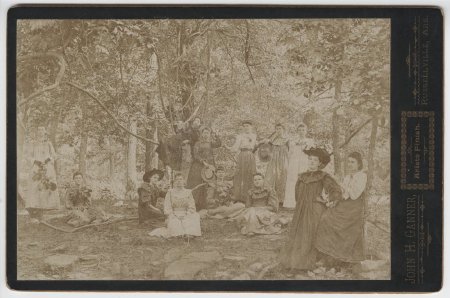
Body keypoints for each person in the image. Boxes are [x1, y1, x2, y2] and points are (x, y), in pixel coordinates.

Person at [280, 148, 342, 271]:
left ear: (320, 163)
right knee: (298, 233)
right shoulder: (302, 176)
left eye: (315, 160)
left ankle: (307, 263)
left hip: (315, 209)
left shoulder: (323, 176)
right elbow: (297, 194)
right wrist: (301, 205)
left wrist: (328, 201)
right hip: (301, 209)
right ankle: (293, 261)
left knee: (310, 234)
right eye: (310, 159)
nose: (312, 162)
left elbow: (335, 190)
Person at [315, 152, 367, 264]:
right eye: (348, 162)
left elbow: (354, 195)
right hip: (344, 204)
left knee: (334, 222)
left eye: (352, 162)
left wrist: (341, 184)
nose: (350, 164)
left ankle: (337, 258)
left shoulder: (362, 176)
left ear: (359, 164)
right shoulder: (347, 177)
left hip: (354, 207)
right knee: (325, 218)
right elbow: (342, 193)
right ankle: (327, 255)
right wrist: (333, 198)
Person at [149, 173, 201, 238]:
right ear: (174, 182)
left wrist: (187, 214)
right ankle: (179, 233)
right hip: (174, 214)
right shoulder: (170, 192)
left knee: (195, 216)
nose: (179, 181)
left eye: (181, 179)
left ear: (184, 181)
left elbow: (192, 206)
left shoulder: (188, 192)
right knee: (175, 221)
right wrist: (173, 215)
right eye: (177, 180)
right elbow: (167, 206)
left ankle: (189, 233)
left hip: (186, 213)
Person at [25, 126, 60, 222]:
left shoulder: (48, 144)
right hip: (36, 167)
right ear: (36, 132)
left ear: (45, 132)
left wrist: (48, 159)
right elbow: (28, 156)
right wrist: (36, 161)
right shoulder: (32, 144)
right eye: (38, 130)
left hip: (47, 167)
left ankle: (43, 212)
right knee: (35, 187)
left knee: (46, 187)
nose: (40, 132)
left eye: (42, 130)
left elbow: (54, 155)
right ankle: (34, 210)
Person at [186, 127, 221, 210]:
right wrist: (203, 162)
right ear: (202, 134)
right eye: (204, 133)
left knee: (209, 183)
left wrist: (216, 135)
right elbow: (195, 155)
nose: (206, 135)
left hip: (209, 165)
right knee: (197, 183)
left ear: (209, 134)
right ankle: (194, 204)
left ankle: (206, 204)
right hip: (198, 165)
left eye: (207, 133)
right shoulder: (198, 143)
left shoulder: (211, 143)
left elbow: (219, 144)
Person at [283, 123, 315, 209]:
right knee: (292, 181)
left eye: (303, 130)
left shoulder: (310, 141)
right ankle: (291, 203)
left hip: (304, 162)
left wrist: (311, 164)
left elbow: (312, 154)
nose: (301, 132)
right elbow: (289, 154)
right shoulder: (292, 141)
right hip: (294, 162)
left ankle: (305, 203)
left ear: (306, 131)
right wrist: (287, 164)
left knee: (304, 180)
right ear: (297, 131)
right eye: (300, 130)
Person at [226, 120, 257, 203]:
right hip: (242, 155)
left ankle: (248, 196)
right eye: (244, 126)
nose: (246, 127)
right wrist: (230, 149)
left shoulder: (254, 136)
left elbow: (254, 146)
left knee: (250, 175)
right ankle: (237, 196)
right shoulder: (240, 136)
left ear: (251, 127)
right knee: (239, 175)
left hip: (250, 155)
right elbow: (236, 147)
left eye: (248, 126)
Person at [263, 123, 289, 206]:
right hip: (273, 160)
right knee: (271, 177)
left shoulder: (287, 139)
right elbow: (267, 149)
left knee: (281, 177)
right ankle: (270, 198)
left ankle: (281, 199)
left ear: (283, 129)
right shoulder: (272, 140)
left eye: (280, 129)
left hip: (282, 160)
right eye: (277, 129)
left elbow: (290, 150)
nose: (278, 130)